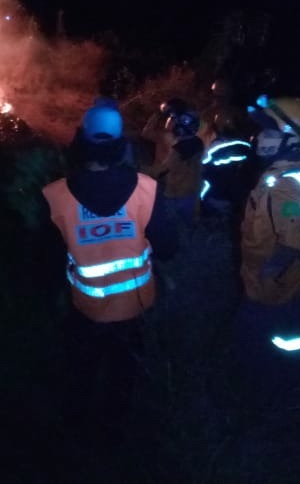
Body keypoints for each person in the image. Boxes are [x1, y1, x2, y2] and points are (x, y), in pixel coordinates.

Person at [43, 101, 178, 426]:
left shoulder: (55, 195)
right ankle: (112, 434)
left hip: (85, 309)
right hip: (136, 308)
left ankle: (74, 431)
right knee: (123, 374)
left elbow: (45, 258)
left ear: (81, 141)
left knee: (82, 371)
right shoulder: (147, 190)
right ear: (121, 144)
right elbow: (169, 248)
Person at [235, 96, 300, 388]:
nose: (260, 137)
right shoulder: (290, 173)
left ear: (293, 141)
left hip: (277, 291)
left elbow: (293, 240)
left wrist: (268, 275)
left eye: (270, 131)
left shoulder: (289, 183)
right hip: (284, 286)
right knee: (284, 341)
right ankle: (282, 383)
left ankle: (265, 392)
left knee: (260, 343)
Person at [142, 101, 205, 231]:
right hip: (188, 191)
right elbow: (146, 133)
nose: (170, 121)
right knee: (188, 225)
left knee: (169, 225)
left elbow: (162, 169)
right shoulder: (197, 143)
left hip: (173, 191)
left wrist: (138, 169)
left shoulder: (179, 147)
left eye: (174, 119)